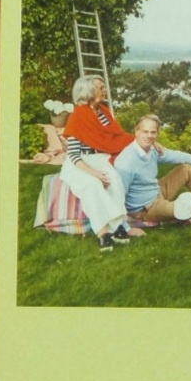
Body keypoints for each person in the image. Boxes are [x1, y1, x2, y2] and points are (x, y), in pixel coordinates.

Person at [59, 75, 135, 251]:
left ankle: (116, 227)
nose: (104, 90)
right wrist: (95, 174)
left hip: (100, 159)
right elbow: (74, 155)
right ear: (88, 91)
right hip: (80, 164)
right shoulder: (76, 117)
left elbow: (116, 136)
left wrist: (144, 142)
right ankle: (103, 232)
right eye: (101, 88)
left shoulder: (103, 112)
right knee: (92, 185)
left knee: (115, 182)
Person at [114, 115, 191, 223]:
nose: (149, 136)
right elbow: (117, 196)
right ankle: (175, 214)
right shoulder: (125, 162)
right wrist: (125, 226)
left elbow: (179, 156)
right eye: (145, 132)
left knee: (187, 169)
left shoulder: (152, 149)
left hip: (156, 191)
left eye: (153, 132)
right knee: (190, 207)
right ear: (136, 131)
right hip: (145, 209)